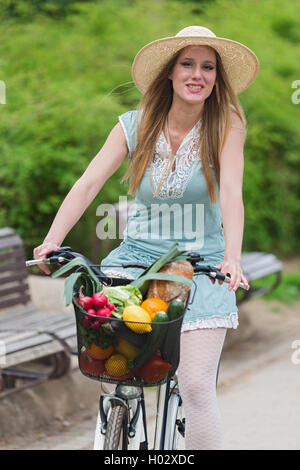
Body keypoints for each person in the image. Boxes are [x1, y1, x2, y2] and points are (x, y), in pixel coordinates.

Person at [33, 26, 259, 450]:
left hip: (201, 265)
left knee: (194, 387)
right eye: (187, 64)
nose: (198, 75)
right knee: (114, 372)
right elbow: (88, 183)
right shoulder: (133, 125)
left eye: (208, 67)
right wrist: (51, 240)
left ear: (217, 77)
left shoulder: (227, 123)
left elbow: (232, 192)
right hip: (135, 259)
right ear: (170, 73)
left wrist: (233, 257)